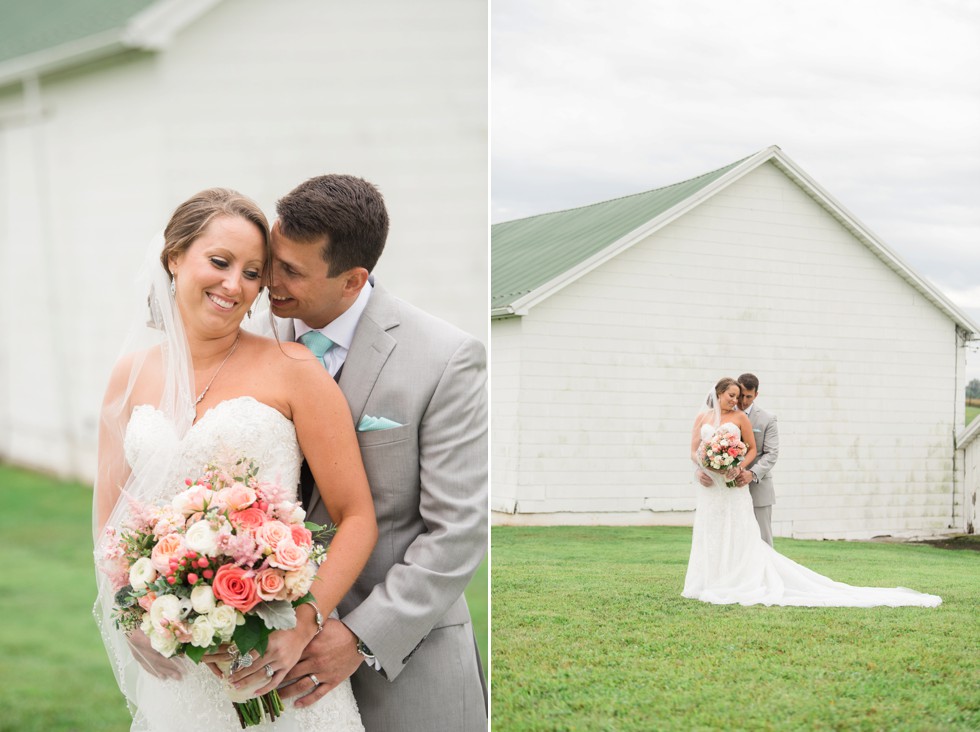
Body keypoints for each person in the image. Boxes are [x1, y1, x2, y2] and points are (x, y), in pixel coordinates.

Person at [93, 188, 377, 731]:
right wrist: (132, 612)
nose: (234, 285)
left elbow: (357, 516)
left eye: (253, 273)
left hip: (281, 665)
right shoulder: (129, 375)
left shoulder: (293, 369)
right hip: (180, 669)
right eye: (219, 262)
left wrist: (300, 622)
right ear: (174, 257)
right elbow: (113, 523)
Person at [259, 175, 488, 731]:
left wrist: (360, 637)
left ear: (353, 279)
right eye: (272, 258)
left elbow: (458, 528)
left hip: (408, 666)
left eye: (291, 270)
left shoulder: (446, 358)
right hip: (271, 665)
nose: (269, 279)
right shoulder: (252, 334)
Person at [682, 377, 942, 608]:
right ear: (718, 393)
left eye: (739, 397)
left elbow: (752, 449)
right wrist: (701, 467)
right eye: (732, 396)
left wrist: (738, 466)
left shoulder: (741, 418)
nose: (736, 401)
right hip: (711, 487)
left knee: (742, 531)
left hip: (736, 484)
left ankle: (743, 578)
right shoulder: (702, 418)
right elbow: (695, 449)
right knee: (712, 530)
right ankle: (711, 579)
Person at [698, 373, 779, 544]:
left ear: (756, 395)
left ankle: (764, 571)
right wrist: (702, 469)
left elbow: (771, 454)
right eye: (740, 395)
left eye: (748, 397)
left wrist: (751, 473)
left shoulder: (767, 419)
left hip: (757, 485)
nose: (742, 400)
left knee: (762, 538)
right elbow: (704, 448)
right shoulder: (720, 415)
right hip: (726, 488)